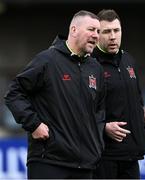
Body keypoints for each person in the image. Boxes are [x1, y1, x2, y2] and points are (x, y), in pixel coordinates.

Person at [4, 10, 106, 179]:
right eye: (91, 29)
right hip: (49, 161)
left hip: (85, 164)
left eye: (98, 31)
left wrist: (96, 143)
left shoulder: (96, 69)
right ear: (73, 30)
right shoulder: (47, 60)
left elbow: (99, 110)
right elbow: (13, 93)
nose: (96, 35)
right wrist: (34, 124)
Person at [92, 9, 145, 179]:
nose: (113, 37)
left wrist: (142, 131)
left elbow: (138, 101)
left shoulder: (129, 61)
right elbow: (80, 109)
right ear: (97, 34)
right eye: (107, 31)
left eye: (116, 30)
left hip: (132, 153)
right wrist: (103, 127)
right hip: (105, 155)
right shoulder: (90, 65)